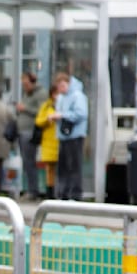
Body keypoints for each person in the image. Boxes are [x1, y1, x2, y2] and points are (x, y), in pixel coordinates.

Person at [47, 72, 88, 200]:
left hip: (75, 135)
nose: (61, 89)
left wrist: (63, 115)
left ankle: (75, 193)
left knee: (74, 166)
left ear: (69, 84)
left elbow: (81, 114)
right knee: (63, 167)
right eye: (59, 86)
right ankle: (63, 193)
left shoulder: (77, 96)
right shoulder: (61, 98)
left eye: (63, 85)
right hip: (63, 136)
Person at [15, 72, 48, 199]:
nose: (25, 87)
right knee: (26, 162)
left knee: (30, 162)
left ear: (33, 82)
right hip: (22, 131)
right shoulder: (27, 94)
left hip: (30, 132)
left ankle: (33, 190)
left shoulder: (40, 94)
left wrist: (25, 108)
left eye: (26, 84)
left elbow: (41, 111)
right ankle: (28, 188)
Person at [34, 86, 60, 200]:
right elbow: (38, 121)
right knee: (49, 168)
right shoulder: (47, 105)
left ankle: (59, 191)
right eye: (55, 93)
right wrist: (48, 119)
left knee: (60, 169)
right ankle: (50, 192)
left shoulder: (64, 104)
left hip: (59, 140)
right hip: (48, 140)